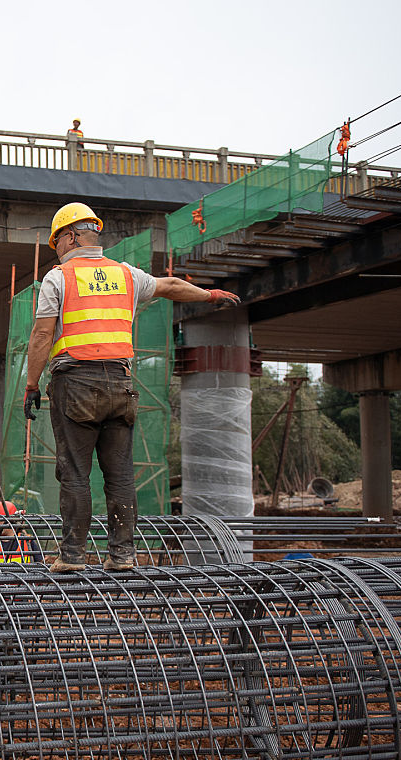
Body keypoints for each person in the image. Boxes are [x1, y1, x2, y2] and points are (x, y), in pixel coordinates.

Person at [23, 202, 240, 572]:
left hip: (75, 383)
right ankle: (122, 555)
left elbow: (43, 333)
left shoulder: (58, 278)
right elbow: (170, 286)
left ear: (71, 236)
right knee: (120, 474)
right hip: (121, 385)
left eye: (57, 240)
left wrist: (31, 384)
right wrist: (209, 295)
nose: (56, 248)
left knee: (75, 472)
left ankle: (73, 556)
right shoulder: (126, 274)